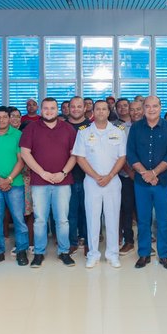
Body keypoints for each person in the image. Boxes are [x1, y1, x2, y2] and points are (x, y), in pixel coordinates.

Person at [19, 97, 78, 268]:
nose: (49, 111)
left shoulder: (67, 128)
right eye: (46, 108)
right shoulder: (31, 128)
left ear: (58, 109)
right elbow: (25, 153)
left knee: (62, 220)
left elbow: (75, 154)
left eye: (52, 108)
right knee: (40, 220)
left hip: (63, 181)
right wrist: (42, 173)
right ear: (41, 110)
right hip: (39, 182)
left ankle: (64, 252)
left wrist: (63, 172)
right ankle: (39, 253)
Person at [73, 100, 127, 268]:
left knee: (112, 218)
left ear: (109, 111)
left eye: (105, 109)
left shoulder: (119, 132)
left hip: (112, 182)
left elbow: (122, 157)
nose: (101, 112)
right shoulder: (83, 133)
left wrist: (110, 175)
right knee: (92, 218)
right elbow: (80, 158)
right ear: (93, 112)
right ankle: (93, 254)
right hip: (91, 181)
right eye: (98, 109)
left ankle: (112, 254)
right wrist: (96, 176)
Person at [127, 96, 167, 270]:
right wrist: (145, 174)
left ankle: (164, 255)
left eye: (154, 106)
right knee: (143, 220)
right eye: (147, 106)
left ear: (160, 107)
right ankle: (144, 254)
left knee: (163, 220)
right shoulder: (135, 128)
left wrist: (154, 173)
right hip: (141, 183)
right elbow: (131, 154)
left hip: (162, 182)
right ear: (143, 108)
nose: (151, 109)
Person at [0, 106, 30, 266]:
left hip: (15, 184)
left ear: (10, 119)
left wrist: (8, 179)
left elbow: (21, 160)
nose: (1, 120)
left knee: (18, 219)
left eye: (4, 117)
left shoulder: (18, 135)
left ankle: (22, 250)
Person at [118, 98, 145, 256]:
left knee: (143, 210)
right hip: (126, 175)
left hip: (145, 176)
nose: (135, 113)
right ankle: (128, 241)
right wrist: (130, 172)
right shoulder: (121, 128)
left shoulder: (149, 126)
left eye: (137, 109)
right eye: (132, 110)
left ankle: (145, 241)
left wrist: (142, 173)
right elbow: (119, 153)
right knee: (126, 210)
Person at [65, 96, 91, 254]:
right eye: (72, 106)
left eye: (79, 106)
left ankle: (89, 242)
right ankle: (72, 242)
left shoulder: (92, 126)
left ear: (85, 108)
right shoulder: (62, 126)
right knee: (71, 213)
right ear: (68, 108)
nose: (75, 109)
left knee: (89, 212)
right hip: (69, 177)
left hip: (89, 176)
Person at [8, 106, 34, 251]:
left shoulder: (25, 135)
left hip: (29, 178)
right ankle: (21, 243)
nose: (15, 119)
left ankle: (30, 243)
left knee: (29, 212)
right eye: (13, 116)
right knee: (18, 214)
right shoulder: (8, 136)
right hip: (13, 178)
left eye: (18, 116)